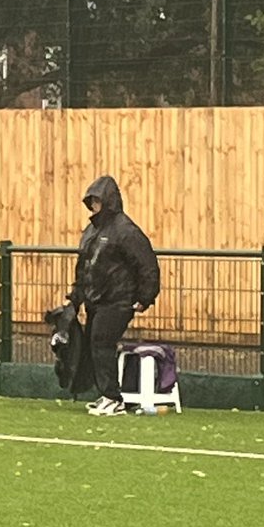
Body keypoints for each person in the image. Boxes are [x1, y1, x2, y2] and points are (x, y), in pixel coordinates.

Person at [63, 175, 161, 416]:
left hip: (118, 300)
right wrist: (76, 296)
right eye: (91, 201)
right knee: (95, 344)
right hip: (96, 299)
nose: (94, 205)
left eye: (97, 200)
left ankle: (112, 398)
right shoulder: (92, 231)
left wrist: (145, 297)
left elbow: (147, 265)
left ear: (107, 201)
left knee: (101, 342)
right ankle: (107, 395)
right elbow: (84, 266)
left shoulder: (125, 231)